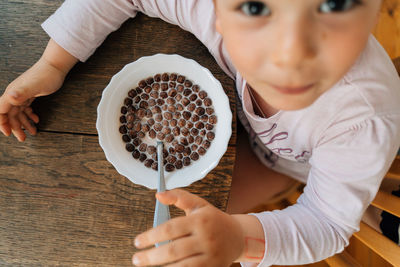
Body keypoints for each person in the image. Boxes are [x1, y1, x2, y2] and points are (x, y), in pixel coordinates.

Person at [1, 0, 400, 266]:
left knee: (161, 239)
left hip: (286, 164)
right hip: (246, 125)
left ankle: (358, 193)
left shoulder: (363, 121)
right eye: (256, 6)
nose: (291, 53)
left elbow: (327, 223)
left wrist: (238, 239)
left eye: (334, 4)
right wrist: (52, 63)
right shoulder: (207, 8)